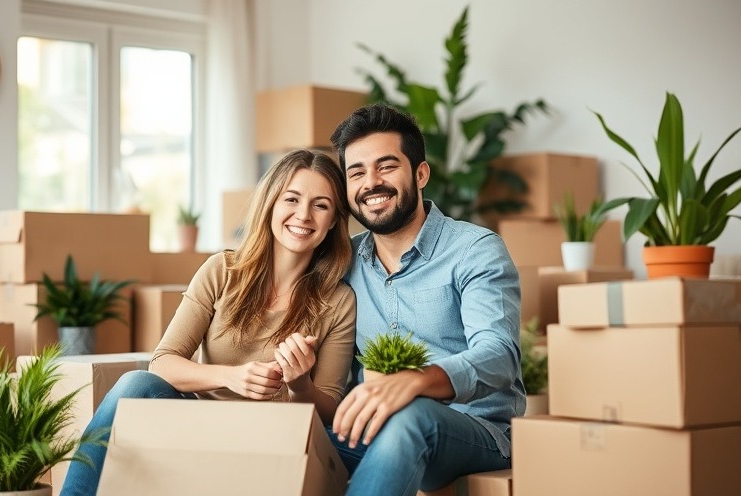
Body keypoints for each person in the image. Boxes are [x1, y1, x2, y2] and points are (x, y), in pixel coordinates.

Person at [59, 149, 357, 496]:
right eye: (292, 199)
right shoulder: (222, 271)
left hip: (275, 443)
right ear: (271, 203)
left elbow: (329, 412)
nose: (303, 215)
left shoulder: (337, 301)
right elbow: (162, 363)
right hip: (201, 429)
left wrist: (300, 383)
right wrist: (233, 376)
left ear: (335, 220)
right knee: (134, 384)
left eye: (321, 205)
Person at [328, 103, 524, 496]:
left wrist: (417, 383)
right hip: (375, 427)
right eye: (357, 172)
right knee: (289, 433)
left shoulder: (474, 249)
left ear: (420, 174)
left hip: (476, 433)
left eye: (386, 166)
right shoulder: (344, 262)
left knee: (411, 417)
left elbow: (500, 354)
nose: (371, 183)